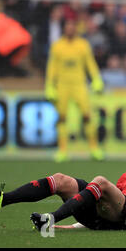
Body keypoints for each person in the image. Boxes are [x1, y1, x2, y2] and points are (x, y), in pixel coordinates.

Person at [45, 19, 104, 163]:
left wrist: (96, 79)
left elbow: (90, 63)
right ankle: (62, 150)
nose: (70, 29)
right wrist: (50, 85)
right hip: (62, 85)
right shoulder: (57, 46)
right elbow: (52, 67)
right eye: (68, 26)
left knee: (87, 116)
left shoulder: (83, 45)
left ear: (76, 28)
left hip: (79, 84)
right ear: (64, 29)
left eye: (72, 26)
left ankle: (94, 148)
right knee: (62, 118)